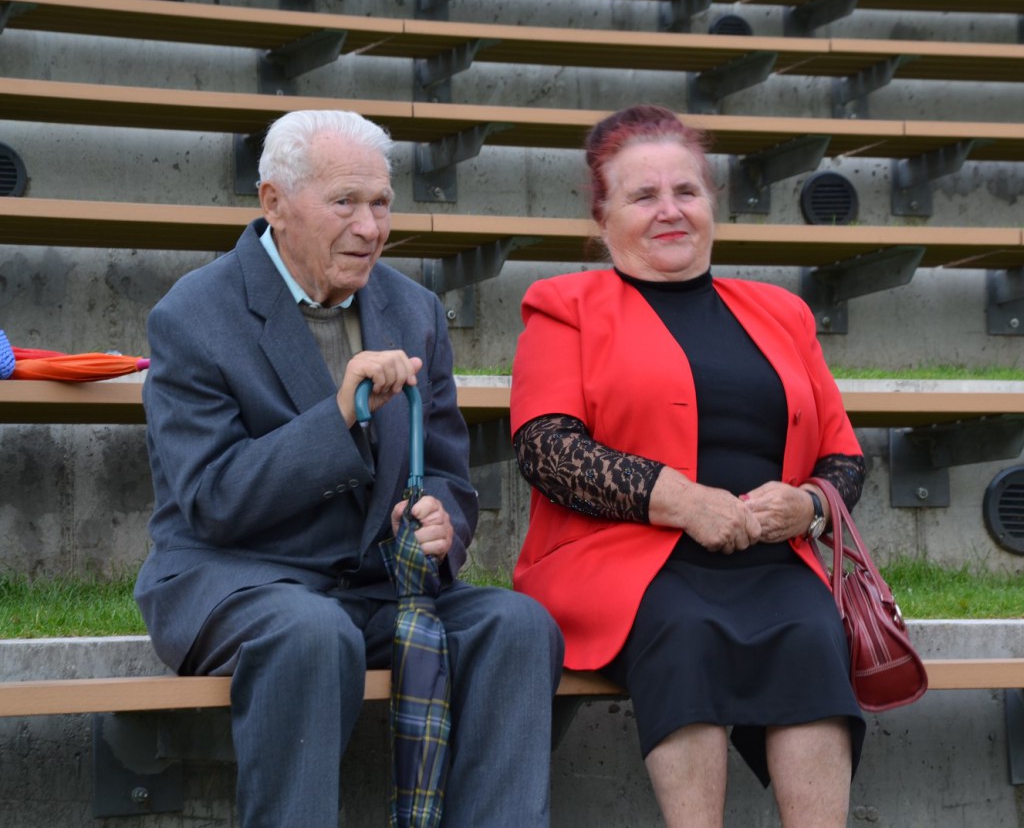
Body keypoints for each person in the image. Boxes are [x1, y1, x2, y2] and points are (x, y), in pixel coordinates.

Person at [136, 109, 563, 828]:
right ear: (274, 201)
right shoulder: (193, 315)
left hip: (377, 585)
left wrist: (442, 524)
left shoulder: (413, 308)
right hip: (240, 579)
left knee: (516, 625)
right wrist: (337, 419)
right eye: (344, 202)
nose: (370, 227)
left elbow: (450, 474)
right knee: (311, 631)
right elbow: (212, 498)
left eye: (381, 203)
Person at [509, 105, 867, 828]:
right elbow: (547, 447)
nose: (669, 210)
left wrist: (807, 506)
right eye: (643, 196)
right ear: (603, 216)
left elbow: (844, 456)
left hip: (769, 558)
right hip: (626, 564)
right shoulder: (564, 306)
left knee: (810, 632)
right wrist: (680, 500)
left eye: (686, 191)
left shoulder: (783, 312)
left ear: (711, 204)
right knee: (687, 628)